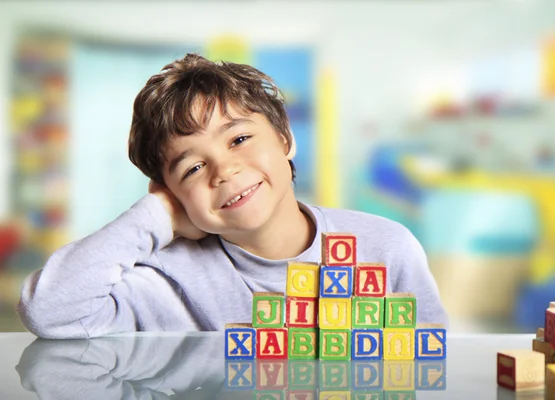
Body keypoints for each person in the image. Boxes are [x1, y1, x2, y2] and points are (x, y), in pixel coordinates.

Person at [17, 53, 448, 338]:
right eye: (193, 168)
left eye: (239, 138)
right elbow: (49, 311)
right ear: (171, 195)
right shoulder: (166, 280)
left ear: (284, 139)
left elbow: (433, 363)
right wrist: (154, 216)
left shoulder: (387, 248)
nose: (224, 171)